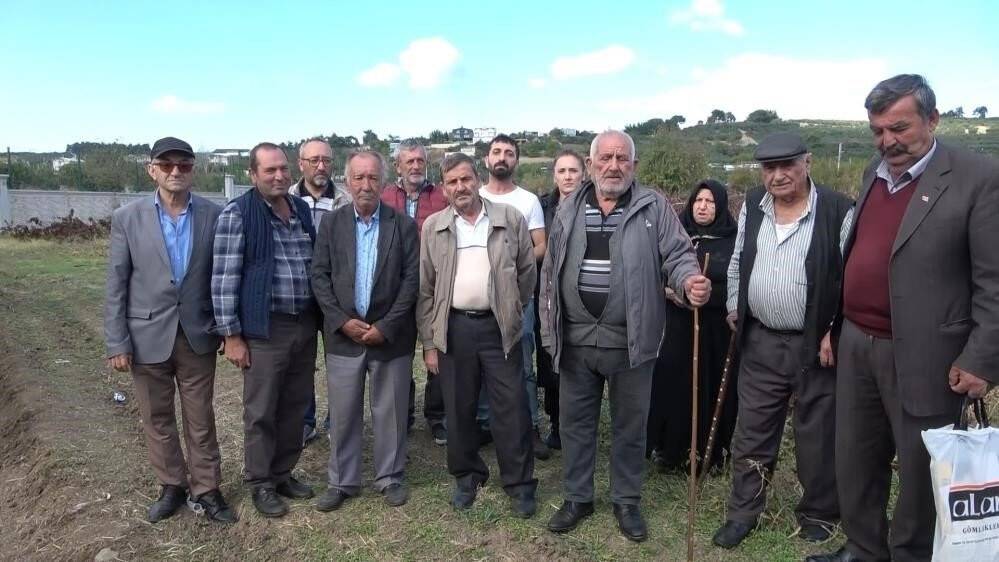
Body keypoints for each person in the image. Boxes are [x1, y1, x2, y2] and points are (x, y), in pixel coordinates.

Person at [808, 74, 999, 562]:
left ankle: (910, 554)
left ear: (932, 119)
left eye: (899, 128)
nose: (887, 141)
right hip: (856, 342)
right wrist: (835, 327)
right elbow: (858, 253)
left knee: (919, 469)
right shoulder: (873, 172)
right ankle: (863, 548)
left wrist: (981, 358)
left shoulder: (978, 178)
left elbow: (994, 280)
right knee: (855, 456)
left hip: (929, 354)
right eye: (877, 130)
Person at [541, 130, 709, 542]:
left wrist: (689, 280)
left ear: (633, 165)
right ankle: (577, 498)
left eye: (622, 159)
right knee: (576, 425)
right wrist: (548, 323)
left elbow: (678, 255)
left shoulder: (653, 206)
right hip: (577, 340)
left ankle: (627, 501)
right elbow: (551, 267)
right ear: (591, 163)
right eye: (606, 158)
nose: (613, 166)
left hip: (632, 340)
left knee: (630, 427)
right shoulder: (568, 207)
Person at [712, 132, 854, 550]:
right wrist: (735, 305)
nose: (777, 175)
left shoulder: (837, 210)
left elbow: (851, 278)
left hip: (816, 345)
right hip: (760, 340)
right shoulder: (754, 205)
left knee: (817, 434)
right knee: (752, 430)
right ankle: (743, 513)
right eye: (769, 168)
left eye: (786, 165)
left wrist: (835, 330)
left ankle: (819, 513)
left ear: (807, 162)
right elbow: (739, 261)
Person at [104, 137, 234, 523]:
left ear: (194, 170)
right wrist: (117, 341)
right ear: (152, 170)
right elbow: (116, 283)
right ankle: (172, 485)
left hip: (197, 334)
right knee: (157, 416)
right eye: (167, 164)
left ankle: (207, 488)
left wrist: (227, 328)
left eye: (184, 165)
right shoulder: (128, 218)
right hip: (146, 335)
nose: (176, 171)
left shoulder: (215, 215)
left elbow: (224, 276)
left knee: (200, 417)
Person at [416, 152, 538, 518]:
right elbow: (426, 288)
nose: (460, 187)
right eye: (452, 182)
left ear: (477, 180)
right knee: (459, 407)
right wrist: (429, 343)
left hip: (498, 327)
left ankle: (519, 484)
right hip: (454, 328)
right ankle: (467, 476)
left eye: (465, 179)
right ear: (444, 188)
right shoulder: (434, 227)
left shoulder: (509, 218)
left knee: (511, 407)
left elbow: (527, 272)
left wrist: (511, 309)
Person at [212, 142, 319, 518]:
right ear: (253, 174)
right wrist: (231, 335)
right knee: (261, 410)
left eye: (283, 169)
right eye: (269, 170)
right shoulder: (237, 214)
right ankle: (260, 482)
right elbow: (224, 278)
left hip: (303, 323)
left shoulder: (300, 209)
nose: (278, 176)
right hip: (265, 329)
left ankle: (282, 473)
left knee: (295, 404)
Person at [311, 150, 419, 511]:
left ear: (384, 182)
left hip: (390, 337)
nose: (366, 185)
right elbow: (319, 277)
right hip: (344, 336)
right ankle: (342, 481)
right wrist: (342, 321)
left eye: (373, 177)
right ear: (347, 182)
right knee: (343, 413)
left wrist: (385, 326)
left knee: (390, 412)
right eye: (358, 178)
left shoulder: (402, 225)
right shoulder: (332, 224)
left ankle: (390, 477)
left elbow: (411, 281)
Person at [646, 179, 738, 472]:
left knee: (710, 385)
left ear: (720, 206)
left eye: (710, 202)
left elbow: (738, 283)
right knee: (674, 384)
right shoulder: (676, 236)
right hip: (677, 327)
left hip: (715, 331)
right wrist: (670, 291)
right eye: (698, 200)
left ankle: (710, 454)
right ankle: (670, 450)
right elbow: (654, 274)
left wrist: (706, 296)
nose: (702, 206)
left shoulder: (734, 240)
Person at [478, 134, 550, 460]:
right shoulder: (474, 196)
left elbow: (541, 245)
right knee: (480, 363)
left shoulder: (528, 201)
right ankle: (485, 424)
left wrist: (511, 265)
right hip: (479, 297)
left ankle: (530, 426)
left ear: (516, 161)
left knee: (522, 363)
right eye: (496, 152)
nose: (502, 157)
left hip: (519, 297)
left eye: (509, 153)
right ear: (486, 159)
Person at [380, 139, 449, 446]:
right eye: (409, 161)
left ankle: (437, 415)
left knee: (438, 347)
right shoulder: (385, 196)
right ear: (398, 166)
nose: (416, 166)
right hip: (396, 287)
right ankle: (403, 414)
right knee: (399, 353)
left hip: (434, 284)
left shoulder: (441, 196)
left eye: (420, 160)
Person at [290, 138, 351, 446]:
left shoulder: (345, 200)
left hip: (335, 296)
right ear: (301, 164)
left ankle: (337, 420)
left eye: (326, 160)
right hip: (299, 294)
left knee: (339, 362)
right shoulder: (286, 199)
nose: (321, 166)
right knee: (301, 362)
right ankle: (304, 421)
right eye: (314, 160)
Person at [535, 149, 585, 450]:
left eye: (573, 171)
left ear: (584, 174)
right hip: (548, 294)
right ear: (554, 176)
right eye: (562, 171)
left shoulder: (594, 205)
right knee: (551, 362)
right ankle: (556, 423)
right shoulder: (542, 207)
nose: (568, 177)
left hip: (581, 295)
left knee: (578, 364)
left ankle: (579, 424)